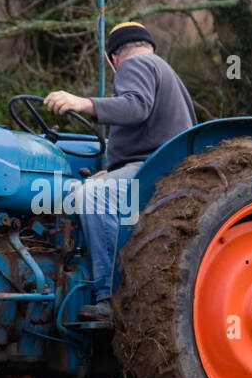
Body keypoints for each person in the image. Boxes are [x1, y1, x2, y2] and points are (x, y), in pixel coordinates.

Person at [44, 21, 196, 322]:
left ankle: (112, 296)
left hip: (154, 170)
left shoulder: (136, 64)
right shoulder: (164, 70)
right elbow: (149, 129)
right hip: (156, 167)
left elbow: (135, 106)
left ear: (113, 59)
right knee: (99, 186)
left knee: (92, 195)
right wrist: (115, 171)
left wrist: (82, 102)